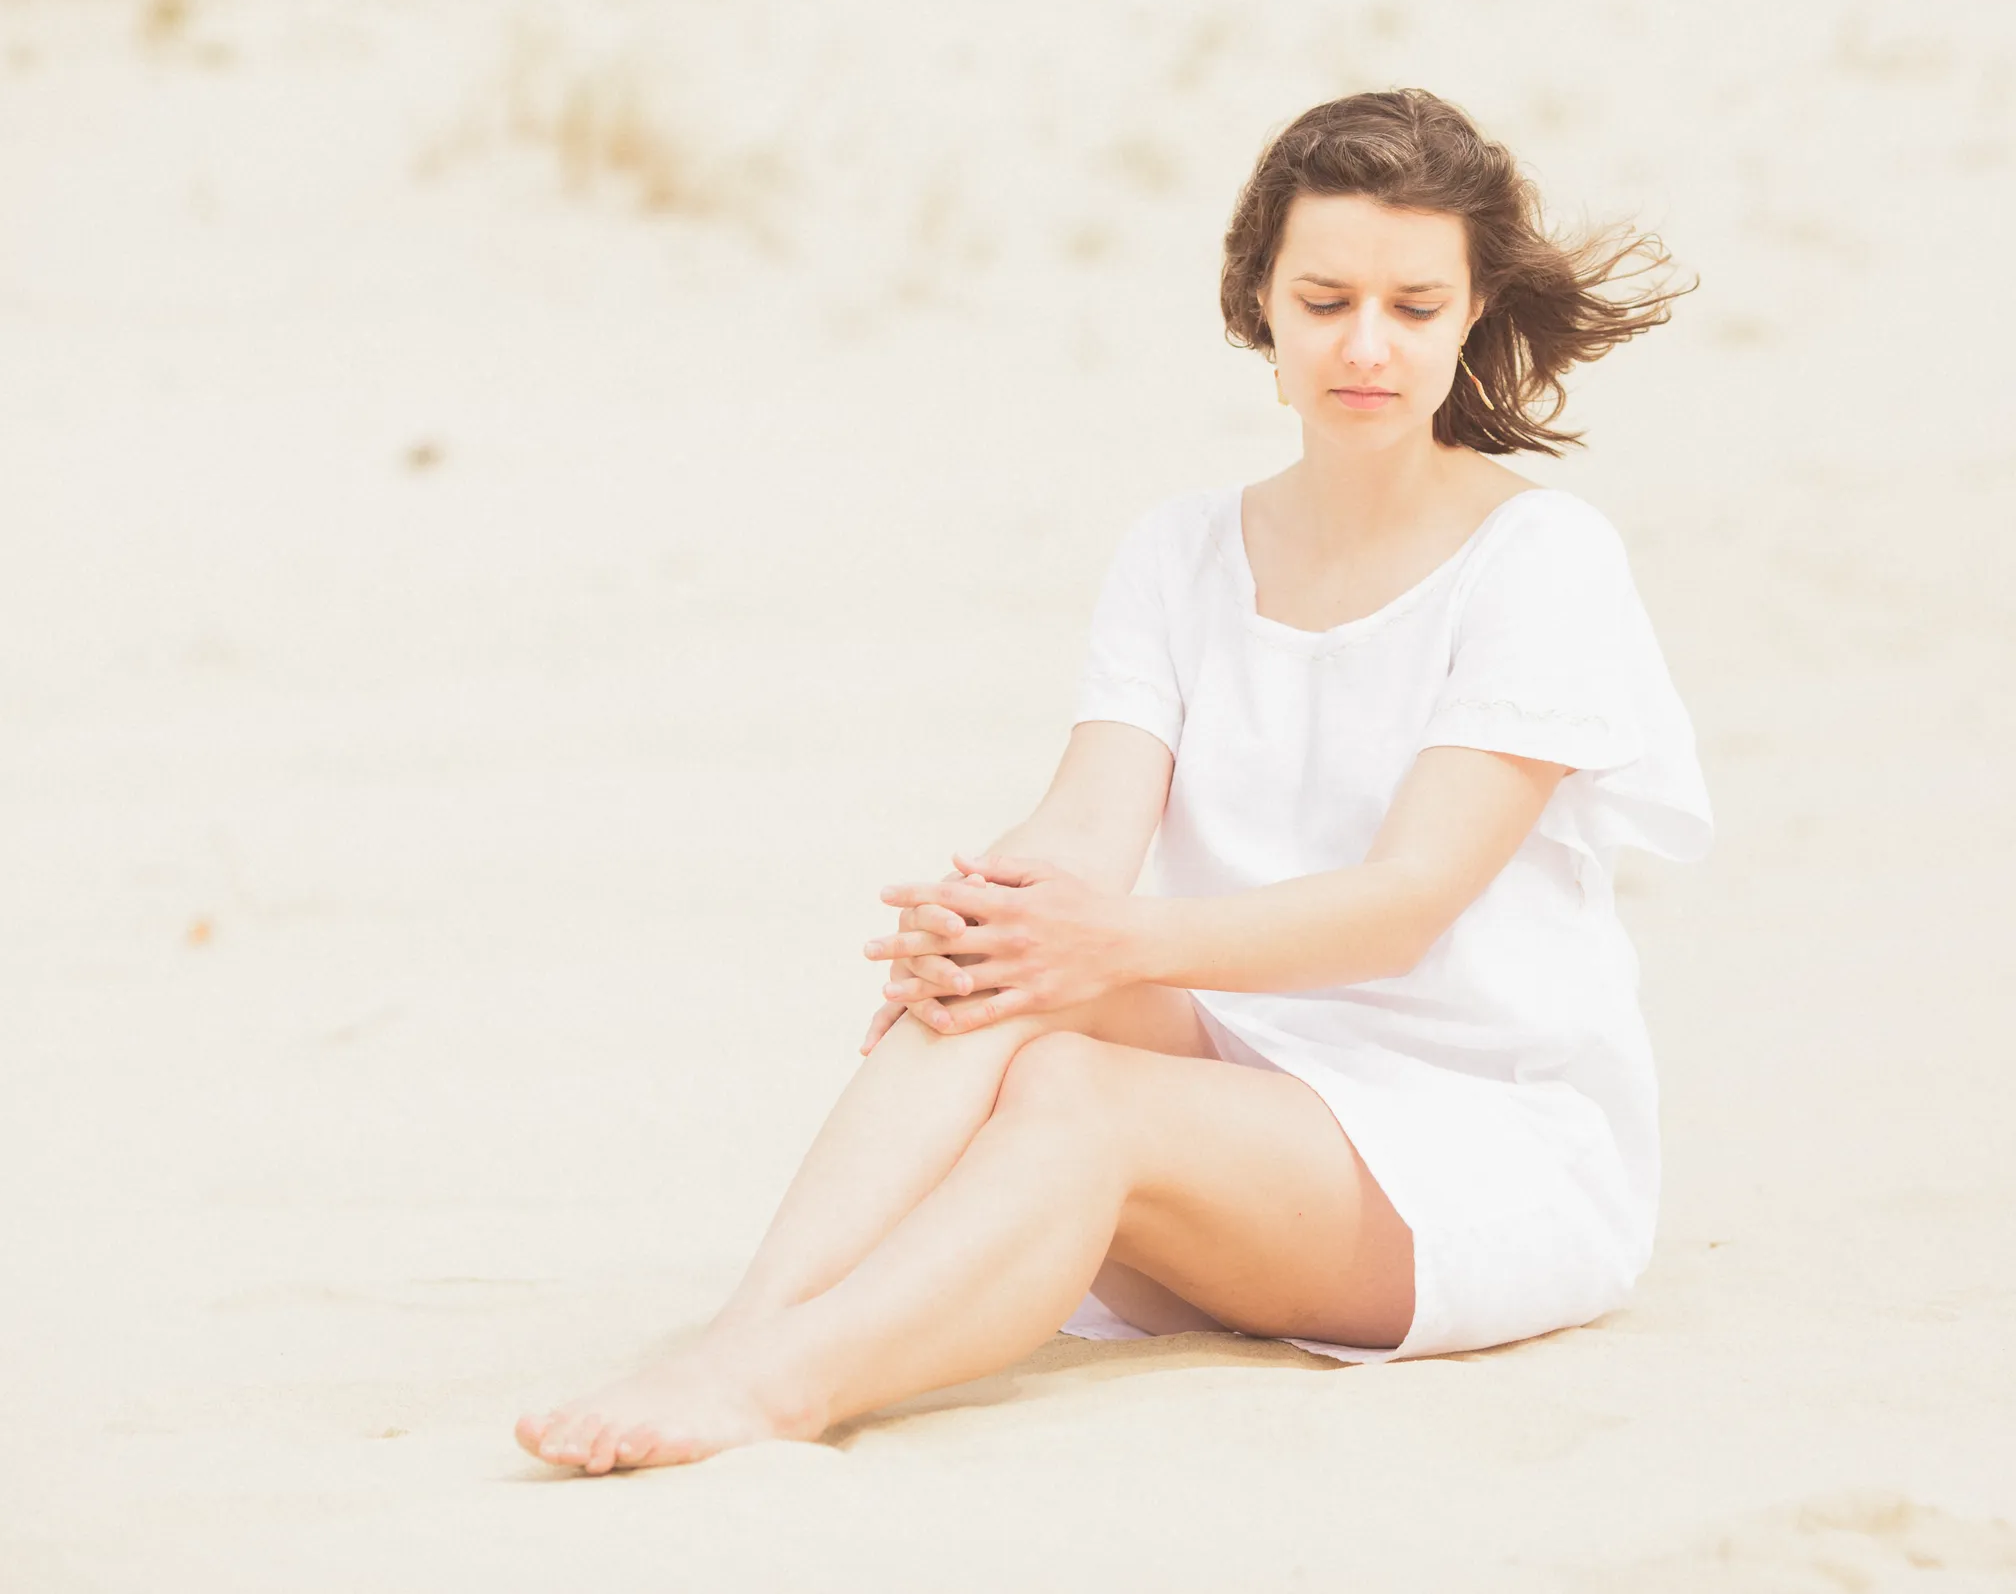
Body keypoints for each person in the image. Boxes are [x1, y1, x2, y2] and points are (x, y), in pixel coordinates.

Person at [515, 87, 1711, 1473]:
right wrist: (982, 913)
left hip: (1481, 1147)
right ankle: (746, 1326)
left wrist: (1103, 935)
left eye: (1412, 305)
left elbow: (1405, 903)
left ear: (1471, 314)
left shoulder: (1543, 561)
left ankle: (780, 1385)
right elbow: (1089, 822)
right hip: (1260, 1086)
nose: (1366, 346)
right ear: (1260, 304)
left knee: (1080, 1084)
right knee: (1015, 959)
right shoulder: (1182, 550)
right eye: (1324, 300)